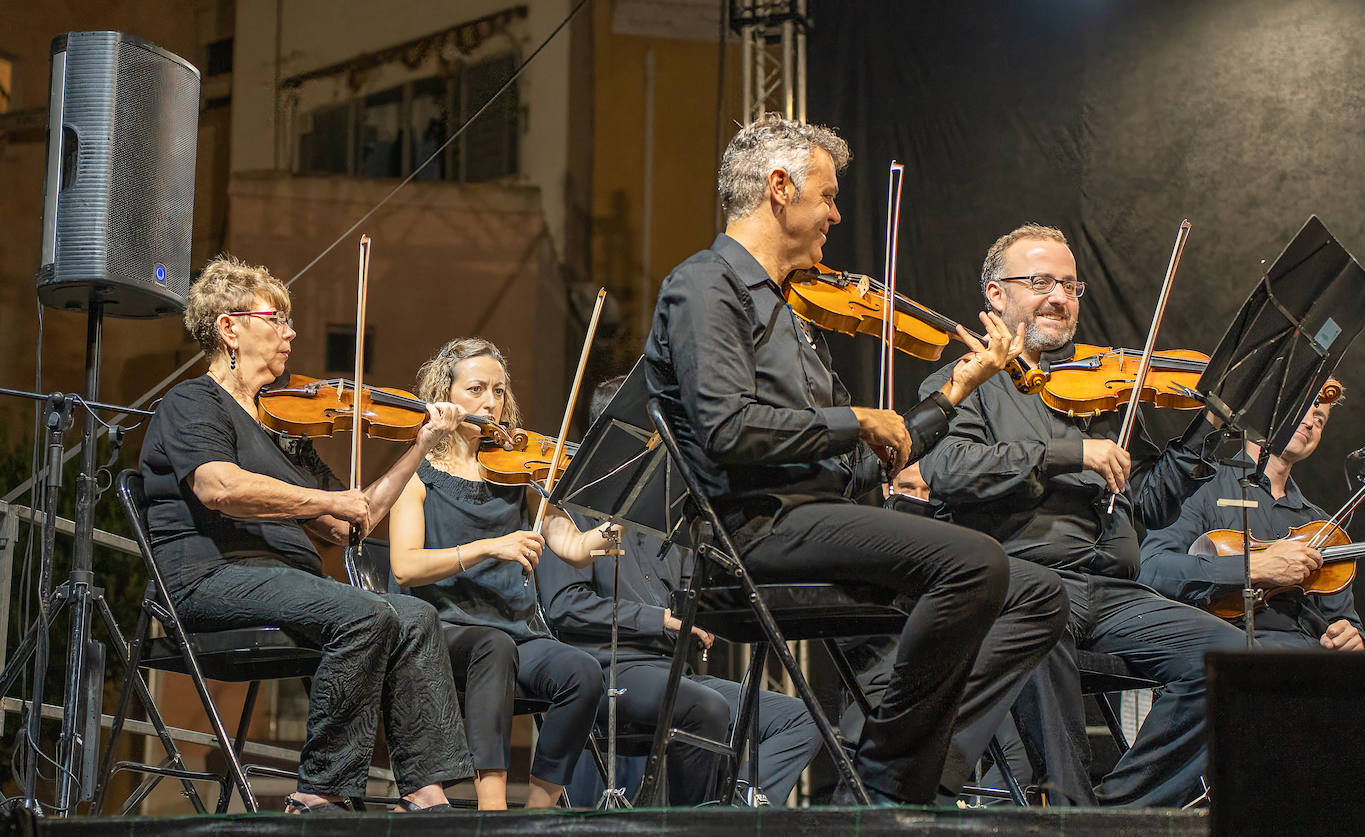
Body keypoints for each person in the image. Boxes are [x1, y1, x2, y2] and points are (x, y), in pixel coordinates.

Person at [643, 113, 1068, 806]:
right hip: (752, 532)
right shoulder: (705, 286)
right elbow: (727, 429)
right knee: (974, 562)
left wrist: (956, 391)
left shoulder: (792, 313)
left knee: (1038, 593)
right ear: (779, 188)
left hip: (817, 519)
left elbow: (861, 469)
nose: (836, 215)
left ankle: (907, 769)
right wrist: (855, 419)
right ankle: (890, 780)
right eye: (828, 196)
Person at [916, 223, 1247, 806]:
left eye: (1070, 286)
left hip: (1110, 591)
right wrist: (1068, 453)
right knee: (1039, 615)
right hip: (1019, 584)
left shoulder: (1099, 388)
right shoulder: (963, 383)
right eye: (1041, 282)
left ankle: (1116, 814)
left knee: (1232, 661)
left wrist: (1205, 430)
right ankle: (1072, 808)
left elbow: (1149, 502)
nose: (1059, 297)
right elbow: (946, 467)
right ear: (996, 293)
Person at [138, 255, 472, 813]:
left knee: (416, 616)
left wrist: (421, 445)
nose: (290, 333)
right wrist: (327, 499)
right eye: (276, 319)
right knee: (366, 613)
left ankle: (424, 792)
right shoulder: (193, 402)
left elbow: (352, 521)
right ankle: (320, 792)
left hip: (284, 582)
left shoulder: (283, 428)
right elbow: (220, 487)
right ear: (230, 328)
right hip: (208, 578)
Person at [538, 375, 823, 806]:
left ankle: (734, 807)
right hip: (608, 672)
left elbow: (696, 598)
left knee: (801, 718)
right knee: (705, 707)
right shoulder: (570, 510)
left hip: (675, 675)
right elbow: (565, 607)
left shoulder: (672, 517)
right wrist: (661, 620)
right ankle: (691, 822)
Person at [388, 337, 617, 811]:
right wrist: (490, 546)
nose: (490, 402)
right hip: (442, 631)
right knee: (493, 648)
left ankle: (537, 811)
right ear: (445, 395)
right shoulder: (417, 475)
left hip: (513, 630)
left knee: (583, 672)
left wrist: (611, 531)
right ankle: (491, 810)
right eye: (476, 389)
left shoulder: (516, 471)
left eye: (498, 390)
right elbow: (405, 567)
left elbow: (573, 547)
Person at [1140, 390, 1365, 650]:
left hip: (1308, 657)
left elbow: (1346, 622)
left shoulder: (1322, 527)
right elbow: (1152, 570)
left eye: (1319, 419)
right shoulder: (1200, 487)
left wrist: (1352, 638)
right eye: (1302, 409)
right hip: (1228, 651)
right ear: (1265, 410)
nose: (1309, 423)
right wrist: (1253, 567)